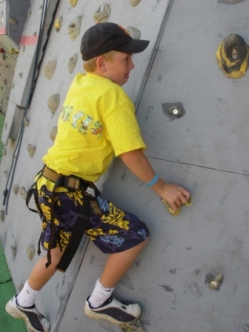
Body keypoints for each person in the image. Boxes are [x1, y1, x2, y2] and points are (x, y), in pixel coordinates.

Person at [5, 22, 190, 332]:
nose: (132, 64)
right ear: (102, 63)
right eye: (126, 59)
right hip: (70, 194)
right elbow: (129, 152)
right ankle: (99, 301)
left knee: (56, 251)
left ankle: (23, 302)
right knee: (135, 236)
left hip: (48, 185)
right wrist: (163, 187)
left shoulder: (81, 83)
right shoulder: (114, 97)